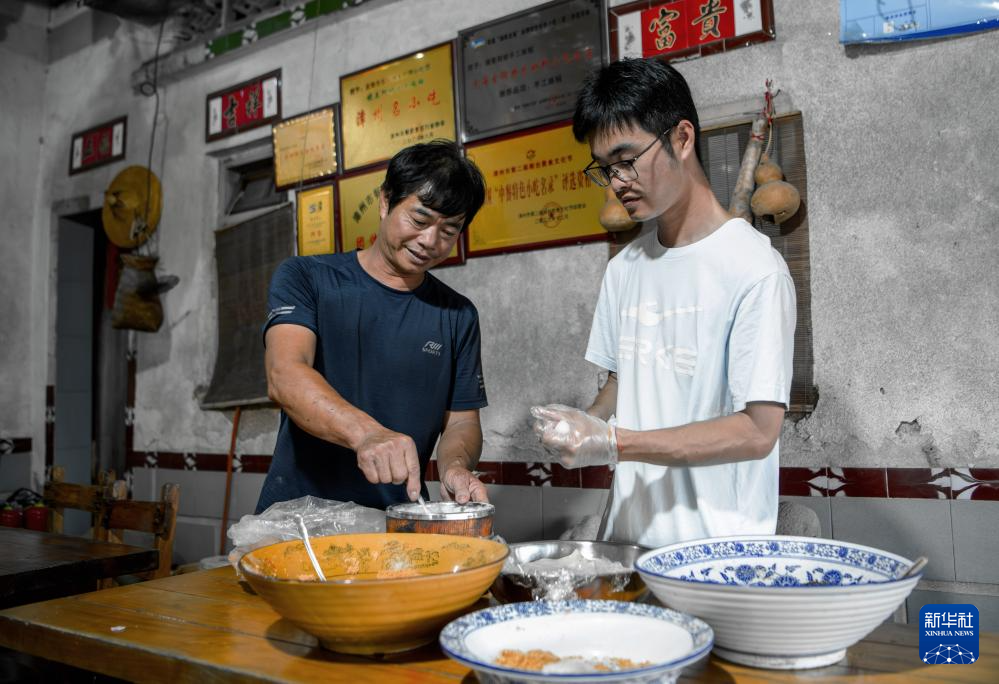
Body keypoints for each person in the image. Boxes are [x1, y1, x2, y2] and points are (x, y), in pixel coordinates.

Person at [531, 59, 796, 548]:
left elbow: (758, 430)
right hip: (627, 542)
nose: (616, 182)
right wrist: (588, 423)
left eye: (627, 160)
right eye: (604, 169)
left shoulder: (754, 269)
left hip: (716, 554)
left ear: (682, 138)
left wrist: (615, 444)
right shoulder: (623, 269)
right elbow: (622, 381)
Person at [255, 140, 489, 513]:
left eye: (449, 230)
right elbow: (284, 374)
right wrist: (366, 433)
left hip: (396, 523)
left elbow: (461, 419)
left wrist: (456, 468)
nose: (430, 241)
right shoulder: (307, 278)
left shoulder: (457, 315)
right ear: (385, 201)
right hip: (298, 521)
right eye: (419, 219)